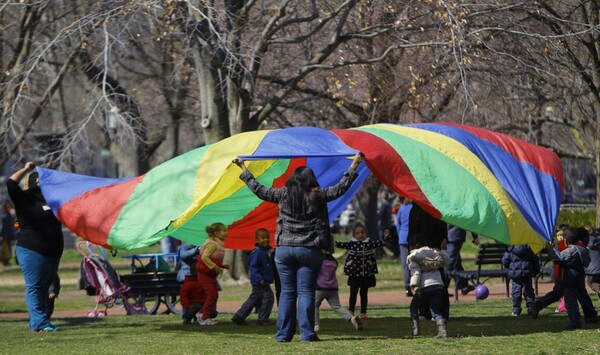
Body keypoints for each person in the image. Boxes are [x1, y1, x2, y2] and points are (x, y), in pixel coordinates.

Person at [233, 152, 364, 343]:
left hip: (284, 249)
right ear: (312, 180)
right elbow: (340, 188)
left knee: (287, 292)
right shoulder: (317, 195)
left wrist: (244, 169)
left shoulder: (282, 194)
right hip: (309, 249)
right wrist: (354, 165)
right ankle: (307, 334)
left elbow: (259, 190)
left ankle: (284, 334)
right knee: (306, 292)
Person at [7, 162, 64, 332]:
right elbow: (10, 182)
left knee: (45, 289)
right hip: (32, 249)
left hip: (53, 250)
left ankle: (40, 322)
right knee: (35, 287)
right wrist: (26, 169)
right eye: (38, 180)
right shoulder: (24, 198)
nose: (41, 182)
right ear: (30, 182)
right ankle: (40, 324)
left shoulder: (54, 199)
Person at [530, 226, 599, 323]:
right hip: (570, 278)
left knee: (562, 295)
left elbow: (557, 257)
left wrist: (551, 248)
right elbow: (584, 262)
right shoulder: (580, 248)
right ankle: (588, 316)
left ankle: (538, 305)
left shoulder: (568, 247)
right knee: (578, 297)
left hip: (566, 277)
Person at [542, 227, 592, 330]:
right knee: (583, 297)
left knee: (570, 302)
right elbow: (587, 262)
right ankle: (590, 315)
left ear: (565, 241)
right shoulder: (582, 250)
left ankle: (575, 322)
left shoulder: (569, 252)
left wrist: (551, 248)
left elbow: (557, 257)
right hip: (579, 279)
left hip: (569, 280)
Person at [335, 222, 387, 319]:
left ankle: (363, 312)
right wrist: (333, 243)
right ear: (354, 235)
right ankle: (351, 310)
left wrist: (386, 237)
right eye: (358, 233)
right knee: (353, 293)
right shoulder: (352, 244)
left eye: (362, 232)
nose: (360, 235)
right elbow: (343, 244)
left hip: (365, 274)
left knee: (364, 293)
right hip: (354, 274)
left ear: (366, 234)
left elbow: (380, 243)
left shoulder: (369, 243)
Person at [407, 233, 449, 338]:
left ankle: (415, 328)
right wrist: (443, 250)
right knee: (435, 310)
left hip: (424, 286)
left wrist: (414, 285)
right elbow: (446, 261)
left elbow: (416, 272)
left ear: (412, 246)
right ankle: (442, 329)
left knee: (414, 306)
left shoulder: (413, 256)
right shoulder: (434, 252)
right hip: (438, 285)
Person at [232, 228, 275, 326]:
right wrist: (259, 278)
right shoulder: (258, 252)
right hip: (260, 281)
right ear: (257, 240)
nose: (266, 240)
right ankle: (263, 318)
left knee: (254, 298)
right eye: (262, 238)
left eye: (267, 237)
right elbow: (254, 267)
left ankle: (239, 316)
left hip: (263, 280)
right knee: (268, 298)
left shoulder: (265, 251)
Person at [314, 252, 362, 332]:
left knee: (314, 305)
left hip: (320, 287)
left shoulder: (318, 261)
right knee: (337, 306)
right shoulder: (334, 261)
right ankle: (351, 318)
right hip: (333, 287)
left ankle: (316, 325)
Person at [196, 222, 230, 326]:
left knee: (213, 295)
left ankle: (202, 313)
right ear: (216, 233)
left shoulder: (217, 243)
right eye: (223, 231)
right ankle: (204, 317)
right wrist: (214, 267)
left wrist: (223, 266)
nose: (226, 233)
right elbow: (204, 257)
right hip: (204, 273)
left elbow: (213, 258)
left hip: (208, 274)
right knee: (212, 294)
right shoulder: (212, 244)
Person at [501, 244, 540, 316]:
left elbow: (505, 261)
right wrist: (536, 271)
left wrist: (510, 267)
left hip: (515, 273)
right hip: (527, 272)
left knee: (516, 290)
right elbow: (535, 260)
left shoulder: (511, 249)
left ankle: (516, 309)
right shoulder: (529, 248)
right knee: (529, 291)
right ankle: (531, 307)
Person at [445, 225, 479, 295]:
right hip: (455, 235)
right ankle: (442, 289)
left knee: (456, 262)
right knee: (450, 263)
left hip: (447, 235)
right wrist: (475, 237)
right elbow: (468, 220)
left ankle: (463, 285)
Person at [394, 197, 413, 297]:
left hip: (403, 237)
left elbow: (397, 223)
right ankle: (416, 285)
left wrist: (400, 234)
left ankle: (407, 287)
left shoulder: (402, 208)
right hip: (413, 238)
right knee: (415, 263)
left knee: (405, 265)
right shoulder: (414, 207)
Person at [378, 192, 399, 259]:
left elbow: (380, 215)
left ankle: (396, 252)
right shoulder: (389, 205)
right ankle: (396, 252)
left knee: (383, 240)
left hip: (384, 226)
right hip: (388, 225)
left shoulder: (384, 205)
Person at [585, 227, 600, 299]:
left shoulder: (585, 242)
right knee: (598, 283)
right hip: (598, 266)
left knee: (591, 283)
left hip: (592, 268)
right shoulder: (598, 241)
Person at [1, 200, 17, 266]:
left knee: (14, 247)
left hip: (12, 232)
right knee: (5, 248)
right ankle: (6, 261)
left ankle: (16, 260)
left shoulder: (11, 213)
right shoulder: (2, 215)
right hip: (5, 234)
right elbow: (1, 225)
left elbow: (15, 222)